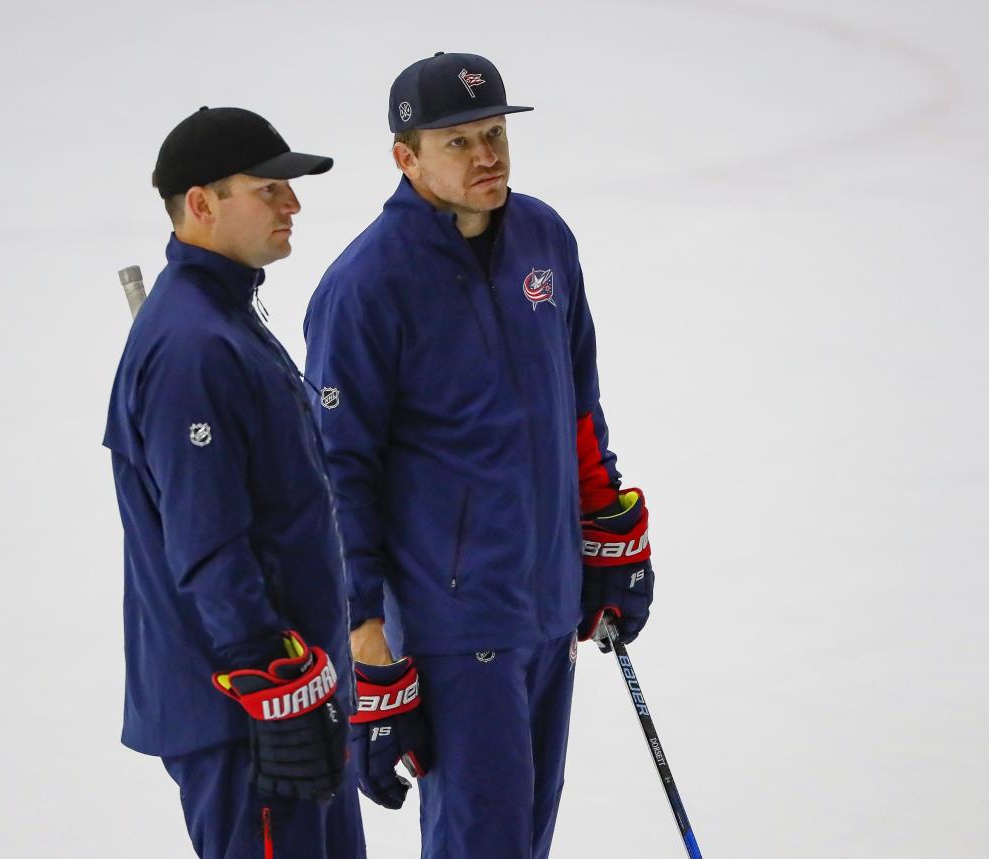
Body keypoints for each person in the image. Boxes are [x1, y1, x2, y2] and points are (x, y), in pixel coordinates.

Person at [303, 53, 657, 859]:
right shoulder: (364, 286)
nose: (486, 154)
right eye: (457, 142)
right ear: (406, 157)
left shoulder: (542, 237)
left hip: (548, 604)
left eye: (493, 133)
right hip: (454, 625)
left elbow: (576, 402)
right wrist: (364, 638)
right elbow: (339, 474)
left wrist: (606, 535)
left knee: (524, 839)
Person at [103, 106, 366, 858]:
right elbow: (208, 543)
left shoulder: (226, 317)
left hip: (297, 696)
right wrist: (269, 681)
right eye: (270, 189)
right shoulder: (191, 345)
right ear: (201, 203)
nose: (293, 203)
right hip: (247, 717)